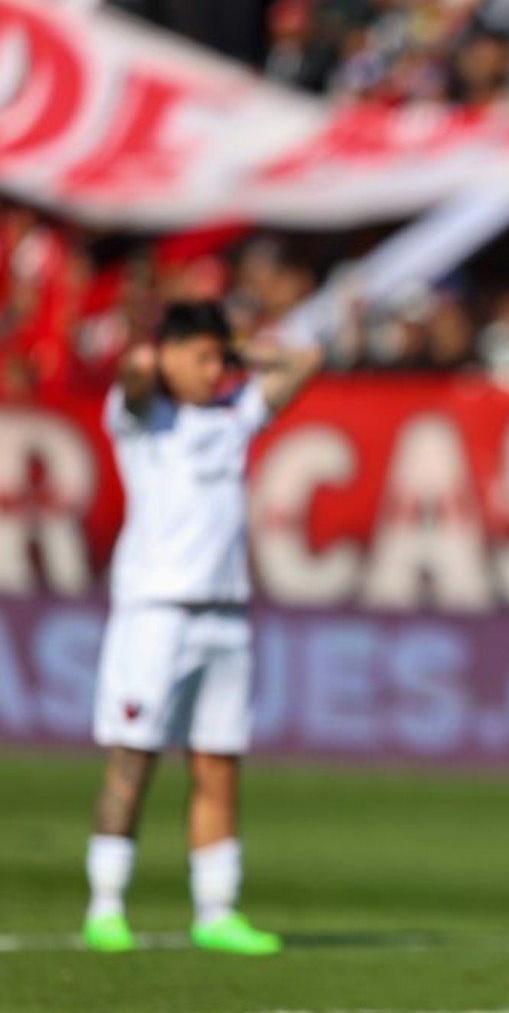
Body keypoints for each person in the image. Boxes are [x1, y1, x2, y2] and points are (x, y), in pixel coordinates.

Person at [83, 302, 322, 955]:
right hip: (156, 611)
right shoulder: (143, 419)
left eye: (221, 359)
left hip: (226, 611)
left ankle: (216, 910)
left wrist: (238, 351)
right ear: (171, 355)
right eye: (202, 357)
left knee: (218, 762)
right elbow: (135, 373)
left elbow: (307, 361)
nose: (214, 370)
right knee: (133, 755)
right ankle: (106, 904)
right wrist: (162, 358)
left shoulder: (233, 416)